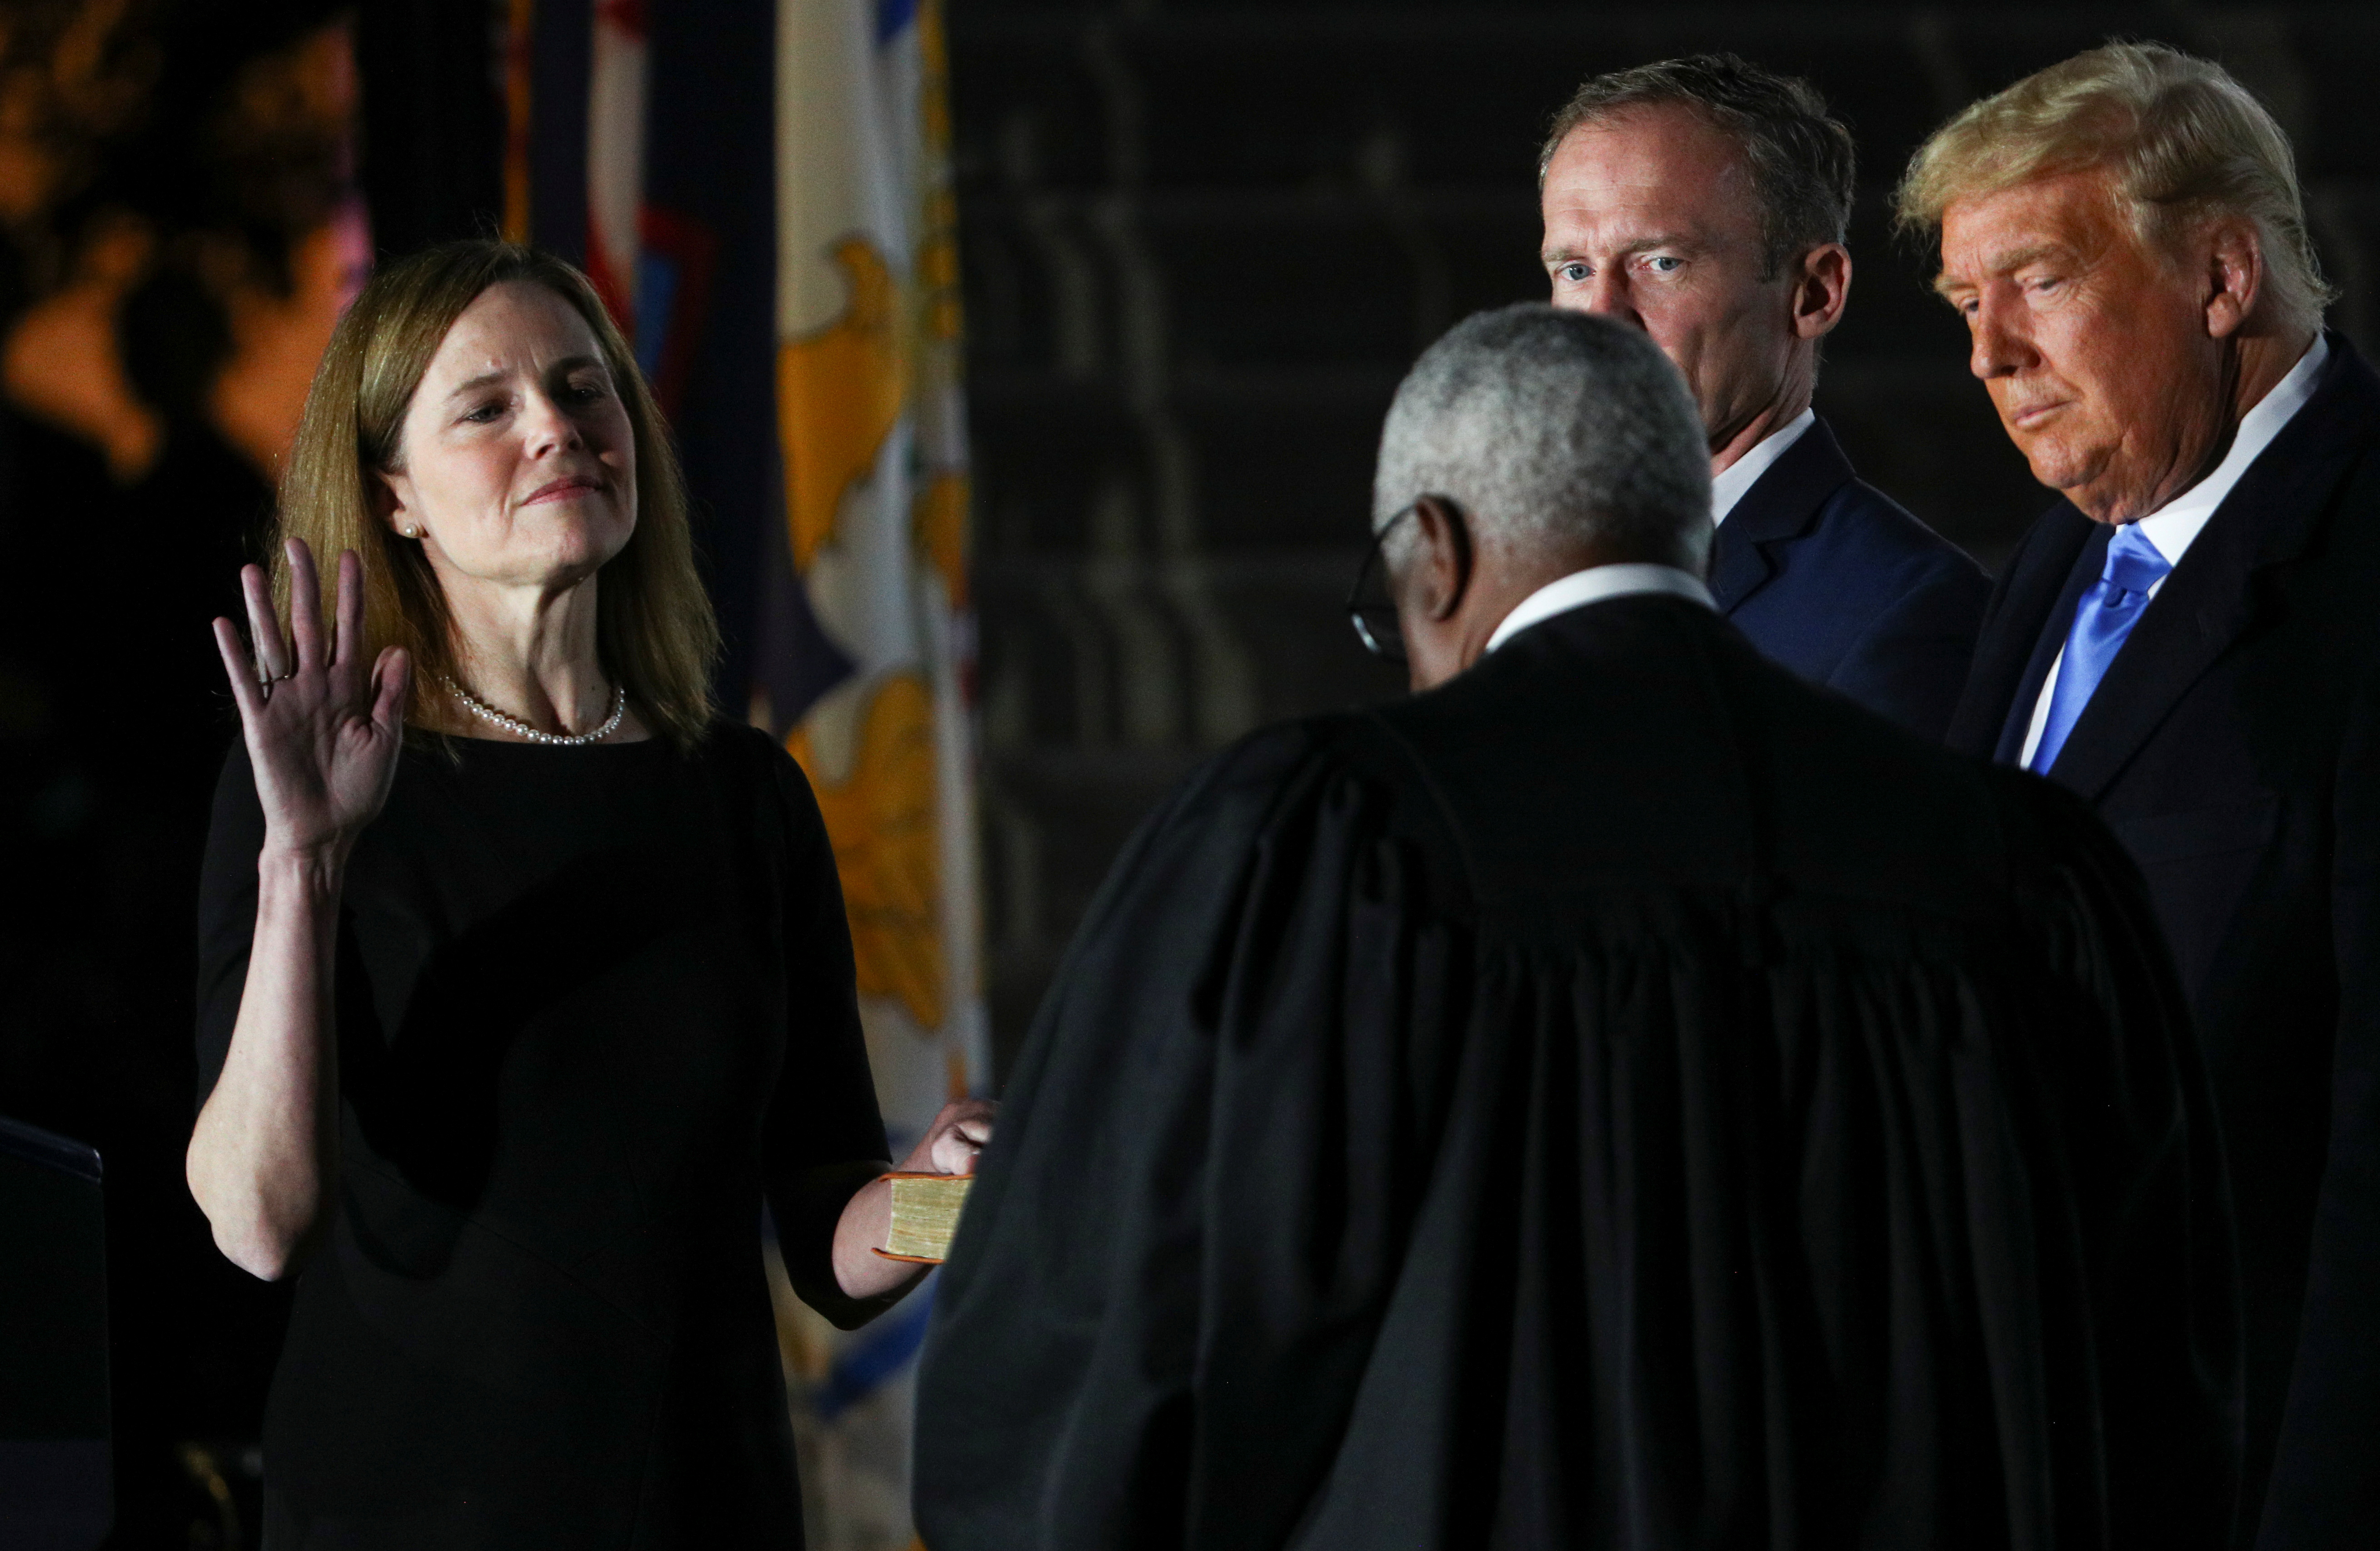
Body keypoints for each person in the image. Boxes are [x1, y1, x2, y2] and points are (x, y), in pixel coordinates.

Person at [914, 304, 2235, 1549]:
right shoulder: (2013, 859)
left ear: (1432, 551)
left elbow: (1120, 1353)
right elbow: (2155, 1382)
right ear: (1683, 526)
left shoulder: (1331, 843)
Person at [182, 239, 992, 1548]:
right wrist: (304, 865)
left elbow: (824, 1233)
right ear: (396, 496)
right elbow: (258, 1222)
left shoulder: (742, 793)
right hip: (406, 1515)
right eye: (488, 408)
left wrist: (953, 1193)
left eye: (582, 387)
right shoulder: (318, 787)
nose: (556, 428)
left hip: (702, 1506)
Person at [1902, 43, 2380, 1547]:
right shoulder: (2064, 547)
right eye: (1959, 307)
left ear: (2221, 271)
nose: (1983, 356)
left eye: (2032, 282)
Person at [1538, 54, 1987, 740]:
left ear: (1814, 293)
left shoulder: (1906, 615)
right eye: (1574, 269)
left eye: (1661, 263)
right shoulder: (1532, 574)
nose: (1601, 317)